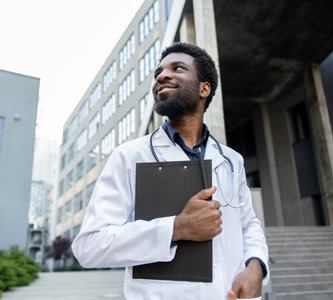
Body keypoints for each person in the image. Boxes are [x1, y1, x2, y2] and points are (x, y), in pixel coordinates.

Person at [72, 42, 269, 300]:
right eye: (158, 73)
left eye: (178, 68)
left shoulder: (231, 160)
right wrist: (176, 228)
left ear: (204, 88)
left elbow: (248, 225)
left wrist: (256, 265)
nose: (162, 76)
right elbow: (89, 245)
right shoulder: (129, 156)